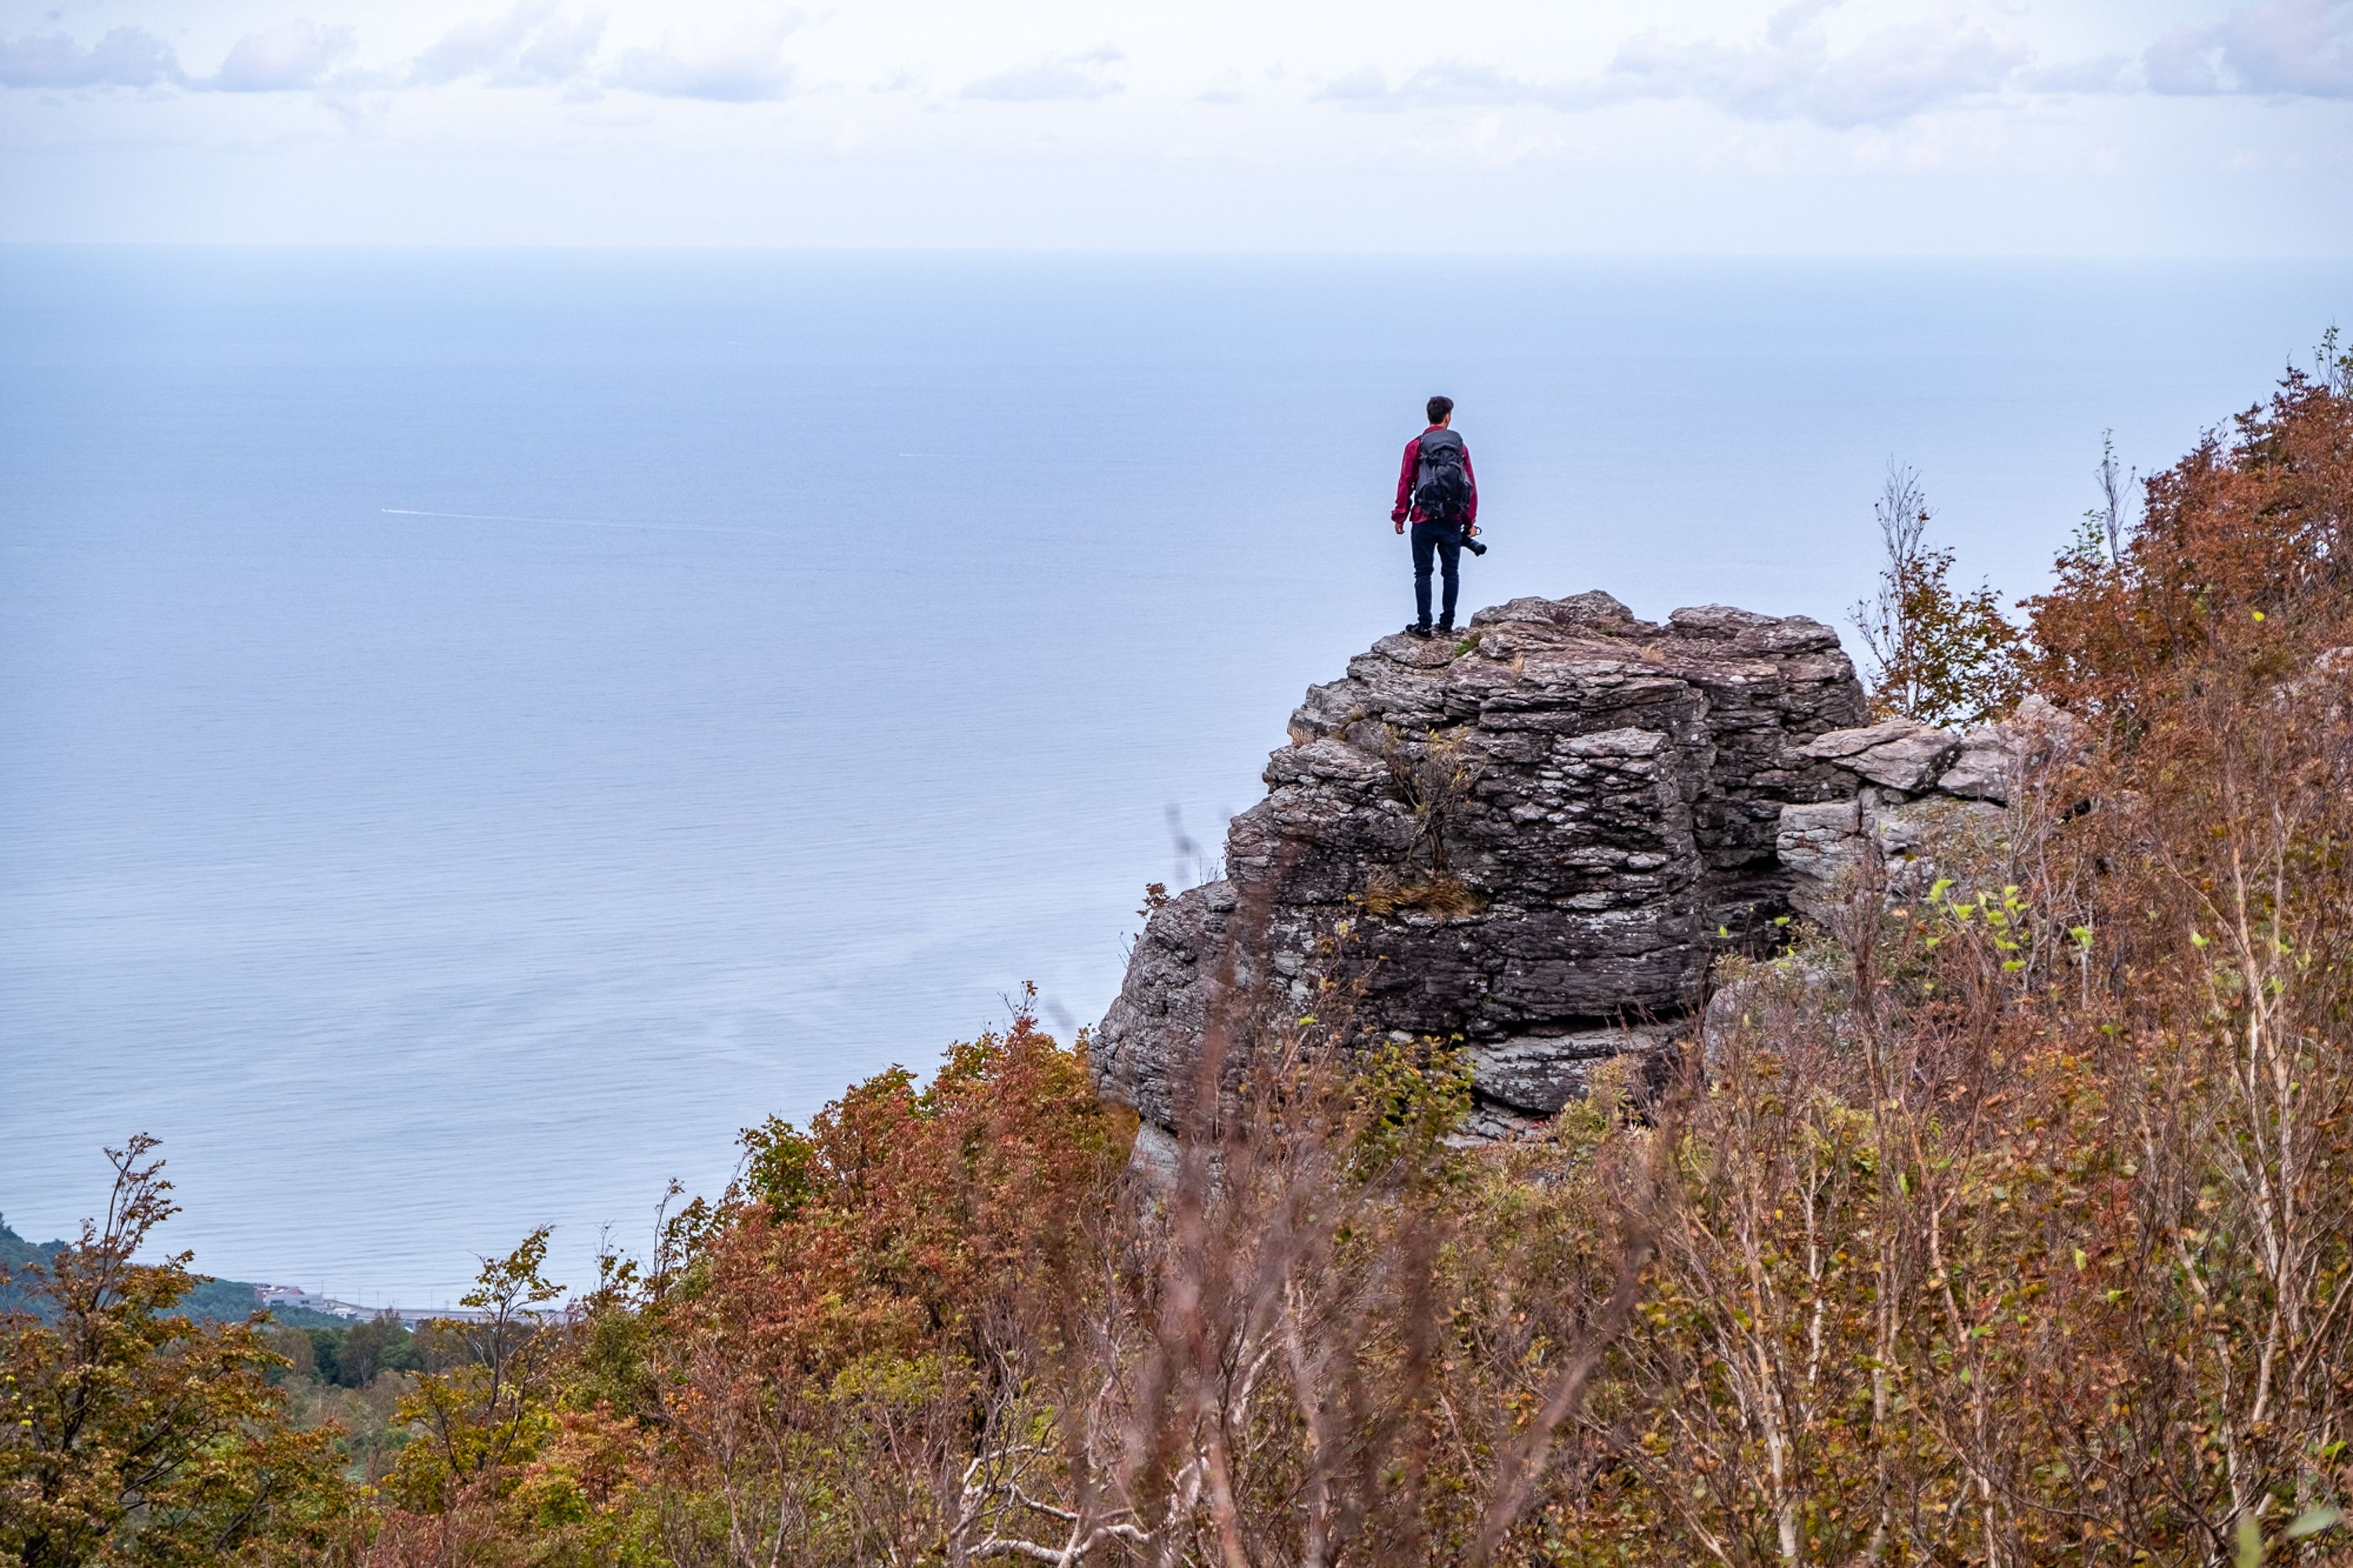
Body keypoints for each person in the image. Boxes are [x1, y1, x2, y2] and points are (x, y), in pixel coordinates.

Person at [1390, 395, 1483, 638]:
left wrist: (1399, 515)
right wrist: (1469, 522)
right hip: (1452, 519)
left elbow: (1406, 482)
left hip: (1423, 518)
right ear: (1447, 417)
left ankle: (1423, 625)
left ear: (1428, 416)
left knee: (1423, 572)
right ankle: (1447, 623)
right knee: (1450, 572)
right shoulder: (1459, 447)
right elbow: (1469, 484)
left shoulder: (1415, 446)